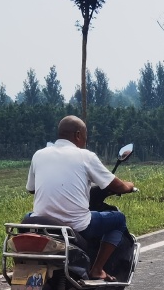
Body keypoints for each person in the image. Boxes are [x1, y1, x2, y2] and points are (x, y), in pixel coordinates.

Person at [27, 115, 136, 280]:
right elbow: (117, 186)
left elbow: (31, 189)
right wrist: (129, 186)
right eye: (85, 136)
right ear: (78, 135)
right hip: (76, 224)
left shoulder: (39, 155)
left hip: (41, 221)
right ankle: (97, 269)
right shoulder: (86, 156)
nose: (85, 140)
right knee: (119, 220)